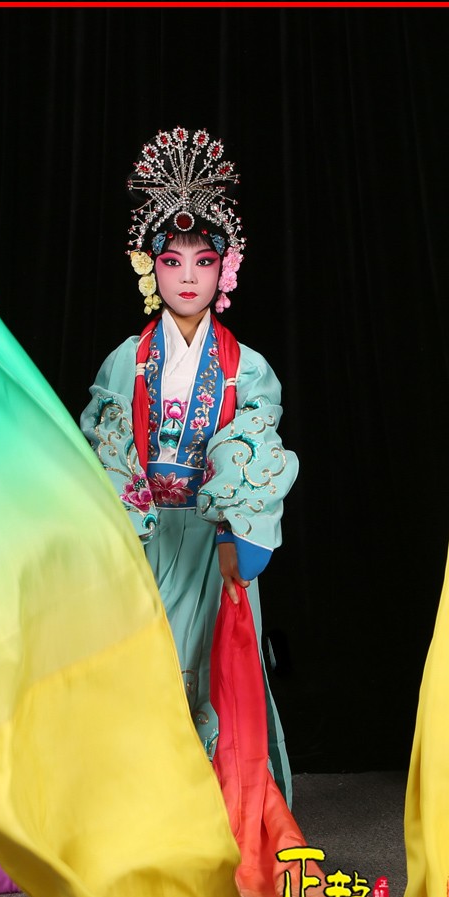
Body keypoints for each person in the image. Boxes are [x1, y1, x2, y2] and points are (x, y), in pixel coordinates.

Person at [80, 126, 297, 806]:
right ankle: (145, 810)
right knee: (144, 666)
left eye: (203, 262)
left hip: (213, 541)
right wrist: (124, 522)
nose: (187, 277)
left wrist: (236, 533)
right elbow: (107, 442)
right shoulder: (126, 359)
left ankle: (217, 812)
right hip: (144, 536)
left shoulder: (244, 367)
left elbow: (254, 443)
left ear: (224, 270)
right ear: (151, 268)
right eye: (172, 261)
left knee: (216, 670)